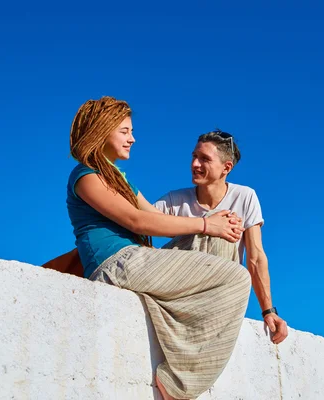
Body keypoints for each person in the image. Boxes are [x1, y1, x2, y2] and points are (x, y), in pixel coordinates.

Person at [66, 96, 251, 400]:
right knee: (236, 277)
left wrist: (213, 222)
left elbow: (154, 216)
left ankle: (187, 329)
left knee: (217, 236)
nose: (132, 138)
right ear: (102, 130)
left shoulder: (119, 178)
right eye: (125, 131)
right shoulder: (85, 176)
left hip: (139, 260)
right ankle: (178, 385)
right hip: (116, 264)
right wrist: (206, 224)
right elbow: (136, 221)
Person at [154, 130, 288, 345]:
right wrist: (205, 225)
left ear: (226, 168)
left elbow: (255, 257)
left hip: (215, 292)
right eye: (194, 156)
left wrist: (268, 311)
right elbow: (142, 224)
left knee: (229, 225)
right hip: (177, 284)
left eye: (205, 159)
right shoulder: (175, 199)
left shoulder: (244, 196)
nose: (195, 164)